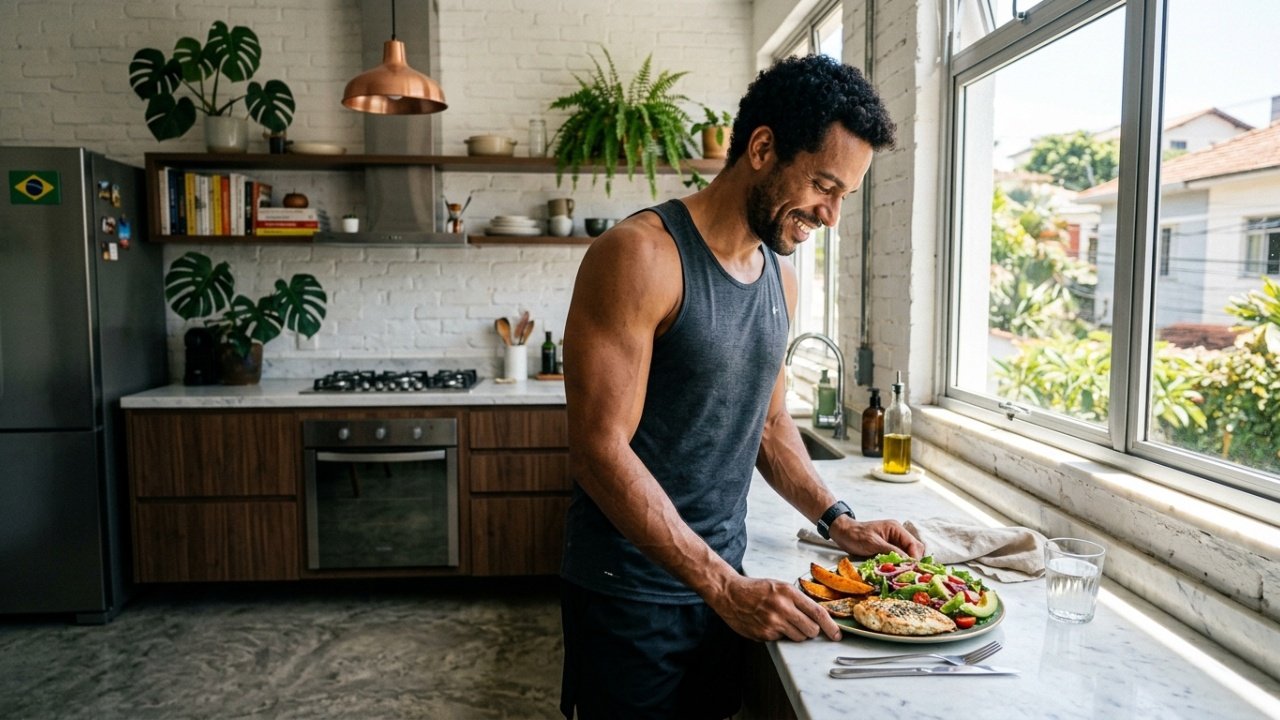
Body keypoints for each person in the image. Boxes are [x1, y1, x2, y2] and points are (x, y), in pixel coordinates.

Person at [558, 54, 926, 719]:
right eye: (823, 184)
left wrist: (838, 520)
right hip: (631, 596)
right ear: (761, 148)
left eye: (845, 193)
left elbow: (768, 422)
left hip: (720, 586)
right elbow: (599, 452)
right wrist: (722, 586)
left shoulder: (778, 276)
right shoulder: (641, 256)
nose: (832, 214)